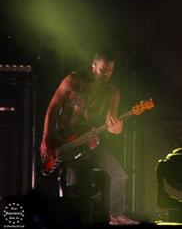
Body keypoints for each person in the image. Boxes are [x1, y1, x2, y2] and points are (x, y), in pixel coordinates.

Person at [40, 50, 139, 225]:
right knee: (65, 180)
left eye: (109, 71)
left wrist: (117, 126)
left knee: (119, 175)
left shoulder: (112, 93)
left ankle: (116, 216)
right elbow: (53, 107)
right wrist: (46, 138)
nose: (106, 75)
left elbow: (114, 124)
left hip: (90, 142)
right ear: (93, 65)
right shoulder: (73, 80)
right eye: (102, 70)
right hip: (64, 141)